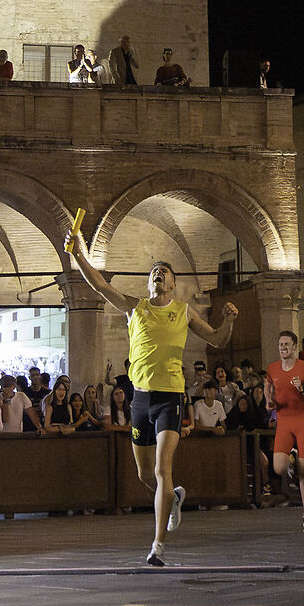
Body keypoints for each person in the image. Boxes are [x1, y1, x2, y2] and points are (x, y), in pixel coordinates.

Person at [61, 227, 237, 566]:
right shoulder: (134, 308)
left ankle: (157, 547)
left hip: (170, 396)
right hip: (139, 399)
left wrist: (228, 320)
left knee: (161, 468)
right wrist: (77, 254)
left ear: (172, 284)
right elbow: (99, 284)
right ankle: (172, 500)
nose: (159, 274)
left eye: (165, 272)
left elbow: (217, 339)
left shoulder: (183, 312)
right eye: (154, 272)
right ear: (149, 283)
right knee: (144, 475)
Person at [262, 330, 304, 530]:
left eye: (287, 344)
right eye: (280, 345)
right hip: (284, 421)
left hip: (302, 420)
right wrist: (269, 401)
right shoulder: (273, 368)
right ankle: (291, 460)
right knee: (278, 468)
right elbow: (267, 385)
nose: (283, 348)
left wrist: (302, 389)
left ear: (295, 347)